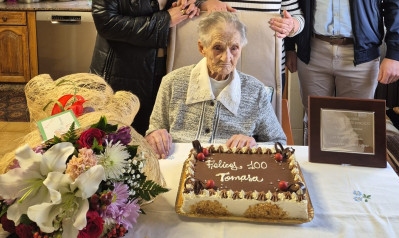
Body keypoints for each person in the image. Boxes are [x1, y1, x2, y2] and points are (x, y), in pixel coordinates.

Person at [145, 12, 286, 158]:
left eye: (234, 48)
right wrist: (155, 137)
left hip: (233, 170)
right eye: (218, 48)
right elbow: (153, 133)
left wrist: (253, 145)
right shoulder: (172, 82)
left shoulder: (256, 91)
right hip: (179, 165)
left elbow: (279, 141)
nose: (227, 57)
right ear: (202, 48)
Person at [284, 0, 399, 144]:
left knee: (357, 124)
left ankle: (353, 166)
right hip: (313, 50)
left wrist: (395, 54)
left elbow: (395, 4)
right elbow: (291, 5)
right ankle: (313, 166)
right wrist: (289, 47)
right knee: (315, 123)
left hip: (361, 53)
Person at [89, 0, 201, 136]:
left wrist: (200, 3)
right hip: (119, 72)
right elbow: (106, 22)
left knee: (155, 142)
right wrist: (164, 21)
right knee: (115, 142)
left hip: (164, 70)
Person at [198, 0, 305, 85]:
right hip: (217, 67)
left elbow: (298, 17)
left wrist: (291, 25)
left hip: (267, 68)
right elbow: (186, 6)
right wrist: (204, 4)